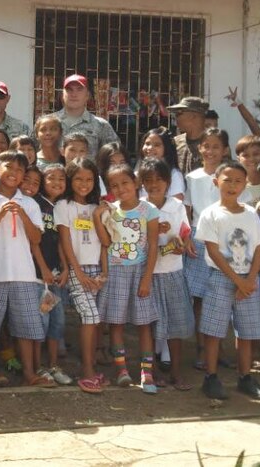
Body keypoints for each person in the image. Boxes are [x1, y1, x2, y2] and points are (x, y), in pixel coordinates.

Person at [195, 161, 260, 401]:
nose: (233, 185)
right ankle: (211, 376)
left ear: (245, 184)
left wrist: (250, 279)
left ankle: (245, 377)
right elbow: (214, 251)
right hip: (221, 278)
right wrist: (238, 280)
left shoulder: (250, 214)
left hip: (249, 279)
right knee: (214, 330)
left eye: (239, 180)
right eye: (227, 179)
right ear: (216, 182)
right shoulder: (210, 214)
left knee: (247, 331)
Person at [0, 151, 51, 387]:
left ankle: (30, 373)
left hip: (24, 274)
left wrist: (21, 213)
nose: (14, 173)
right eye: (8, 167)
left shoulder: (29, 203)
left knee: (27, 327)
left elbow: (36, 239)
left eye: (20, 170)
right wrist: (0, 212)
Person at [96, 164, 161, 393]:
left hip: (139, 271)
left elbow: (153, 245)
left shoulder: (149, 210)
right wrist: (97, 217)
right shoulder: (109, 210)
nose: (120, 188)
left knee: (144, 324)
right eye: (114, 185)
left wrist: (146, 278)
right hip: (115, 273)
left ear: (135, 183)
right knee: (116, 323)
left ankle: (146, 372)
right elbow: (105, 243)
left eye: (125, 183)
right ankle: (121, 369)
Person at [138, 158, 194, 391]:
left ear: (168, 182)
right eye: (148, 180)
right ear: (142, 183)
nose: (154, 185)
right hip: (148, 274)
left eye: (159, 180)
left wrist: (181, 245)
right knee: (150, 325)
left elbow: (184, 233)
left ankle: (176, 372)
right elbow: (132, 241)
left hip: (173, 271)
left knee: (176, 324)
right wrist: (150, 230)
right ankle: (149, 372)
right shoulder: (139, 206)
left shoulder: (176, 206)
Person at [183, 128, 229, 368]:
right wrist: (188, 238)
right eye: (206, 146)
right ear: (200, 148)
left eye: (216, 147)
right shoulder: (192, 178)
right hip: (199, 242)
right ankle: (202, 349)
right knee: (200, 297)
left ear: (225, 151)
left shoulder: (230, 176)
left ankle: (218, 348)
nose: (210, 151)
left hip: (223, 243)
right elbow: (187, 211)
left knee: (221, 296)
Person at [35, 163, 73, 385]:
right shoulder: (36, 204)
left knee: (57, 323)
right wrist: (44, 269)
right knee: (41, 322)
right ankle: (38, 366)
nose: (57, 182)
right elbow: (35, 242)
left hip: (57, 276)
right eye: (52, 178)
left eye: (62, 178)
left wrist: (66, 268)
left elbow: (60, 241)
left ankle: (53, 365)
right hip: (39, 276)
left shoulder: (61, 206)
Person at [55, 74, 119, 158]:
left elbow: (114, 156)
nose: (74, 94)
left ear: (87, 95)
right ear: (62, 95)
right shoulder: (48, 123)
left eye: (79, 89)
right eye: (69, 90)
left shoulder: (101, 125)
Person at [167, 96, 210, 176]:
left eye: (179, 113)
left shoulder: (214, 143)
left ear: (193, 116)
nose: (175, 117)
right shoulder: (175, 142)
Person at [139, 127, 184, 200]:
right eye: (147, 144)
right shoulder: (137, 173)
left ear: (166, 149)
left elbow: (176, 204)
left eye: (157, 145)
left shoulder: (174, 174)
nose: (150, 148)